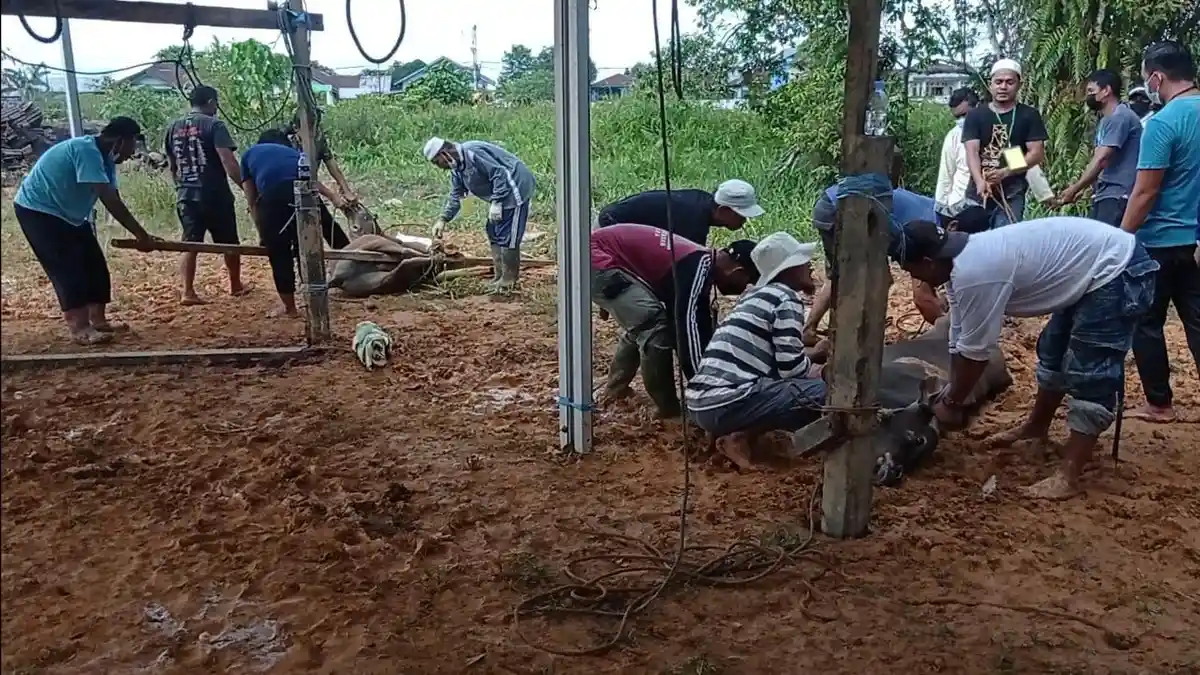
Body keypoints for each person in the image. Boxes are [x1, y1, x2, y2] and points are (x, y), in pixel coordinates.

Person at [894, 217, 1158, 499]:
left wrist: (952, 402)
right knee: (1053, 351)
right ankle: (1035, 429)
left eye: (912, 271)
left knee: (1090, 371)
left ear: (928, 263)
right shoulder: (955, 266)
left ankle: (1068, 475)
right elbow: (959, 334)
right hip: (1087, 266)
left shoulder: (976, 272)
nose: (916, 279)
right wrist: (951, 392)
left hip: (1115, 269)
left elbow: (976, 354)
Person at [686, 232, 827, 469]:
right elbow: (791, 370)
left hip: (701, 405)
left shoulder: (754, 298)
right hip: (728, 402)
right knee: (828, 392)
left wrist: (812, 354)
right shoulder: (786, 298)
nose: (810, 267)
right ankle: (740, 435)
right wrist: (820, 364)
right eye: (804, 262)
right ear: (789, 269)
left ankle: (736, 435)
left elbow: (769, 358)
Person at [13, 117, 157, 345]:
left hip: (71, 215)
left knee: (94, 265)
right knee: (68, 268)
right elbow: (108, 199)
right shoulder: (86, 150)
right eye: (132, 145)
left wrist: (143, 235)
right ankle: (79, 328)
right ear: (120, 140)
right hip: (39, 210)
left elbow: (113, 193)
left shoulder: (106, 158)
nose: (132, 153)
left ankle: (97, 320)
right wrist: (141, 235)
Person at [590, 223, 758, 418]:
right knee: (653, 326)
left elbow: (700, 325)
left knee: (644, 321)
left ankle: (615, 389)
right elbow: (686, 329)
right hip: (597, 259)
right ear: (737, 271)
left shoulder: (700, 262)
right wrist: (704, 387)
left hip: (599, 254)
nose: (744, 288)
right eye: (748, 282)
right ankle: (667, 408)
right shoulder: (696, 268)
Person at [1118, 40, 1200, 423]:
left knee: (1146, 323)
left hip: (1158, 241)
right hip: (1195, 241)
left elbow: (1146, 192)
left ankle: (1159, 403)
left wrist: (1119, 238)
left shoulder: (1164, 123)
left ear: (1156, 78)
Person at [805, 184, 949, 337]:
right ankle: (855, 336)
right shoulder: (928, 231)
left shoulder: (934, 211)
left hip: (833, 203)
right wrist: (951, 331)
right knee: (866, 280)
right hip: (842, 209)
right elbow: (923, 299)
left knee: (840, 276)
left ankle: (810, 329)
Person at [240, 129, 351, 318]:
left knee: (279, 252)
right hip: (305, 190)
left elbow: (252, 199)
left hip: (273, 195)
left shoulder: (249, 154)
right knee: (324, 232)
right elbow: (313, 182)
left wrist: (263, 233)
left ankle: (290, 308)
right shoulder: (295, 153)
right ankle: (352, 265)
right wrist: (333, 197)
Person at [423, 136, 536, 294]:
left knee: (508, 234)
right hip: (502, 193)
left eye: (437, 162)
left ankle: (509, 280)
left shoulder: (472, 152)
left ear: (444, 154)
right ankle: (499, 276)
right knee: (493, 231)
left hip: (515, 185)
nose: (440, 167)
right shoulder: (458, 170)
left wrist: (497, 201)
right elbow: (457, 195)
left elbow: (499, 173)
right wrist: (443, 219)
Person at [165, 85, 245, 305]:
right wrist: (246, 188)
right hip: (215, 194)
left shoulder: (173, 127)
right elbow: (228, 161)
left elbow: (172, 165)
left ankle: (187, 291)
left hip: (186, 194)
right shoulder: (215, 125)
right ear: (210, 102)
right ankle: (235, 285)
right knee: (230, 242)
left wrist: (180, 187)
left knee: (190, 243)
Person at [938, 87, 1055, 218]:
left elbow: (1024, 164)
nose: (962, 120)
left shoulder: (1000, 132)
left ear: (977, 108)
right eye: (957, 117)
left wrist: (1045, 195)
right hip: (963, 205)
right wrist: (940, 207)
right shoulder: (953, 137)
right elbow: (946, 174)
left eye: (965, 114)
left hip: (1003, 201)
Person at [962, 59, 1049, 228]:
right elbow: (972, 152)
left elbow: (1036, 153)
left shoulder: (1028, 115)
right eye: (998, 82)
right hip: (979, 190)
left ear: (1019, 85)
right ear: (990, 85)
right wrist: (979, 181)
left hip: (1012, 193)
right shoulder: (975, 115)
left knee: (1006, 238)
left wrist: (1005, 172)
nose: (1003, 87)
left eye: (1009, 82)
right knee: (973, 237)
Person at [1055, 70, 1143, 226]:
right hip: (1106, 194)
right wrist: (1085, 189)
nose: (1088, 96)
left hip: (1118, 194)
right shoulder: (1106, 121)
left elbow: (1102, 159)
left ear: (1106, 91)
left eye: (1091, 91)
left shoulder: (1119, 117)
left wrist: (1075, 188)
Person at [596, 180, 766, 245]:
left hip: (613, 219)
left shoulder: (702, 202)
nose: (744, 221)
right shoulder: (693, 220)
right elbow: (691, 264)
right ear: (723, 210)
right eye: (740, 215)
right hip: (610, 227)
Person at [286, 109, 357, 202]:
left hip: (311, 189)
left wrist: (346, 190)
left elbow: (331, 164)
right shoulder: (288, 145)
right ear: (296, 128)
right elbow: (305, 179)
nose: (312, 134)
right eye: (309, 130)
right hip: (290, 189)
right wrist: (331, 196)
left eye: (315, 129)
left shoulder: (318, 139)